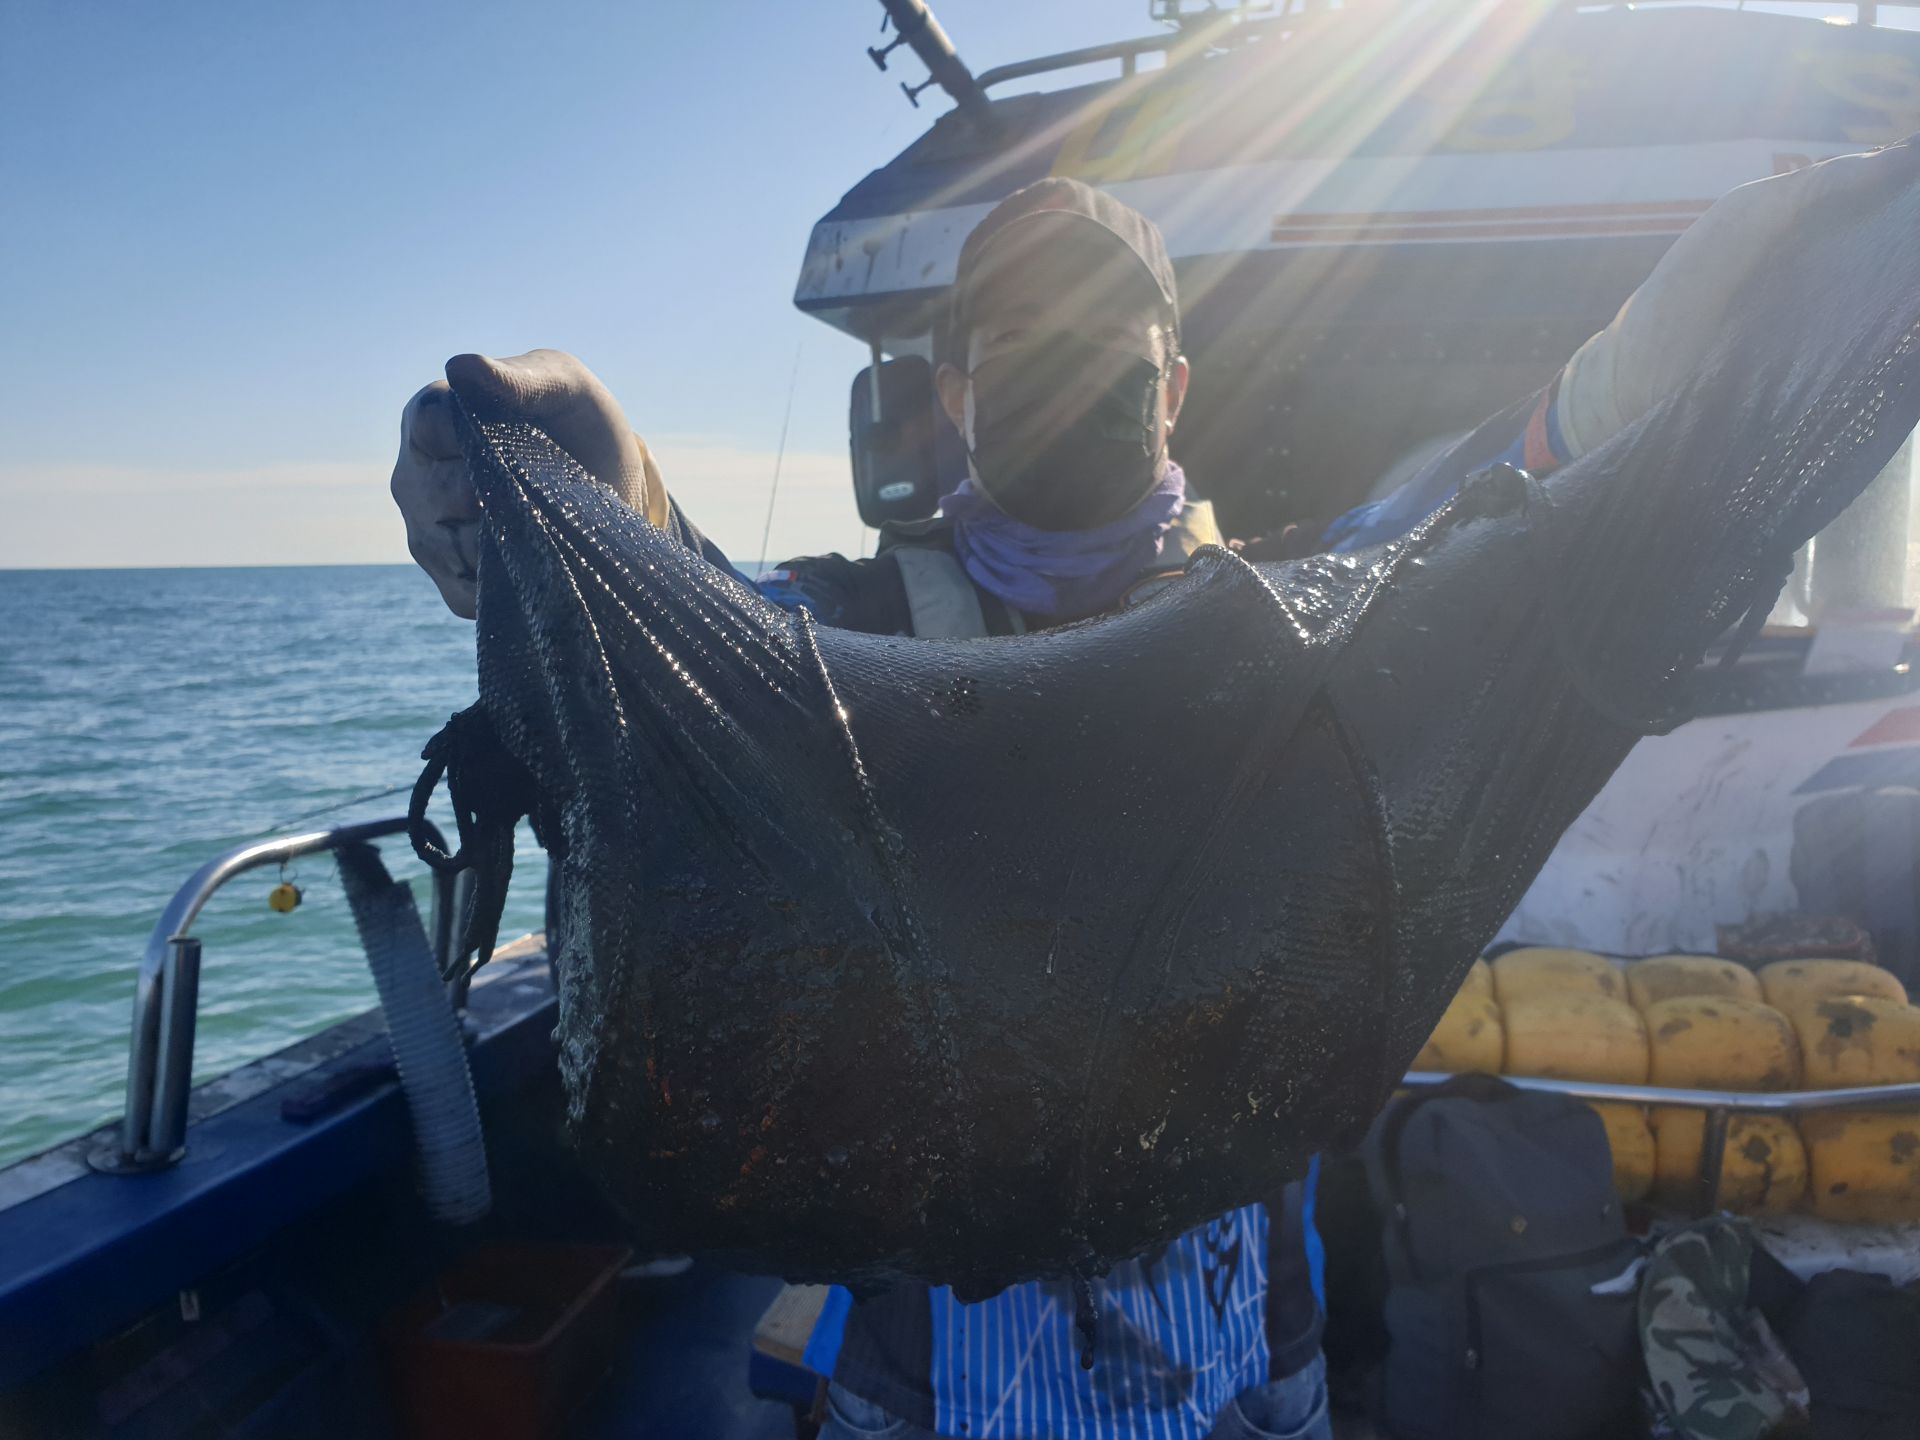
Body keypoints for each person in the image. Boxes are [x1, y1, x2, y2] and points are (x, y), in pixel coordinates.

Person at [394, 178, 1330, 1440]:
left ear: (1171, 389)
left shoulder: (1295, 621)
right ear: (956, 394)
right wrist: (603, 508)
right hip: (923, 1367)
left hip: (1248, 1359)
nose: (1064, 373)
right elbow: (704, 644)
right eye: (1020, 341)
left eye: (1105, 342)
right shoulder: (854, 620)